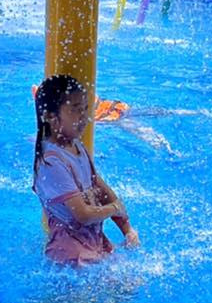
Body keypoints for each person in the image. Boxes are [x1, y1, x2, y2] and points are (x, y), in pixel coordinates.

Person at [33, 74, 139, 266]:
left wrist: (127, 229)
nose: (84, 117)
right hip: (71, 255)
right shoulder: (51, 163)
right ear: (50, 116)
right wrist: (114, 208)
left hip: (93, 243)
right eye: (76, 110)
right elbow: (82, 214)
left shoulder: (77, 146)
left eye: (85, 109)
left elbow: (101, 188)